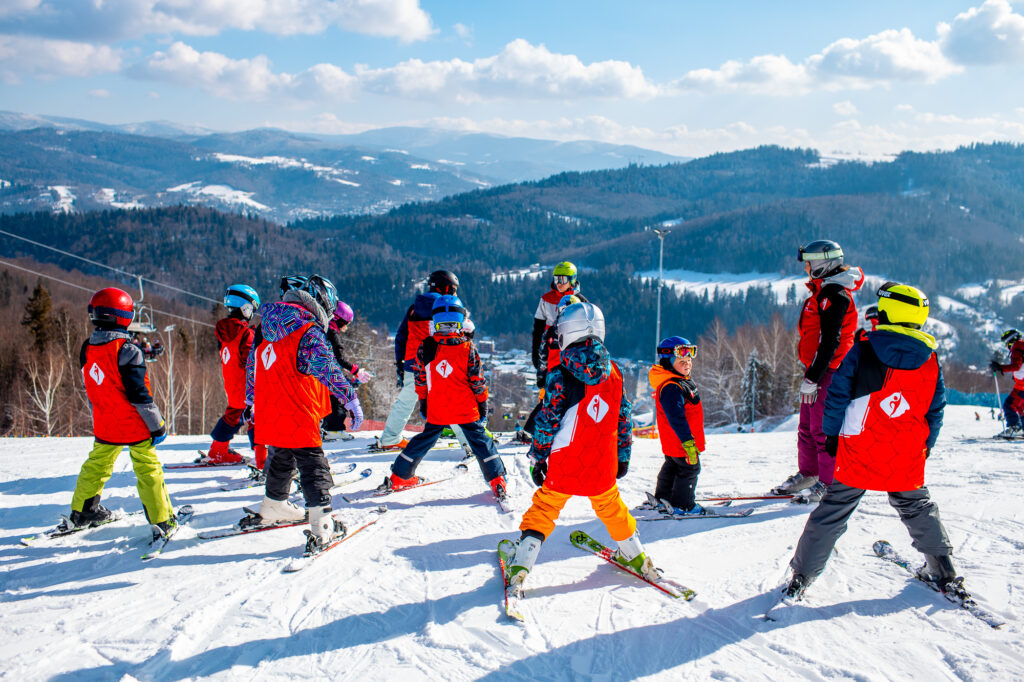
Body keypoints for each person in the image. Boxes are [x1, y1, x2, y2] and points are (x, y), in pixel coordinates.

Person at [784, 281, 959, 600]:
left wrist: (832, 438)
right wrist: (926, 446)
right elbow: (935, 409)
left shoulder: (864, 348)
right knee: (917, 506)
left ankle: (802, 575)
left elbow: (837, 395)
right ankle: (944, 572)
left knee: (834, 509)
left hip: (858, 449)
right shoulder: (931, 358)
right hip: (905, 454)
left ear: (889, 312)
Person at [506, 302, 658, 592]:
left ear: (566, 332)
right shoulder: (615, 373)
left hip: (566, 464)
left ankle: (521, 565)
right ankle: (638, 557)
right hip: (602, 465)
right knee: (612, 508)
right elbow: (623, 418)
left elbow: (547, 420)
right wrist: (622, 457)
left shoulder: (561, 373)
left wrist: (538, 458)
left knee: (545, 508)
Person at [246, 275, 364, 550]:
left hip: (269, 408)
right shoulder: (307, 330)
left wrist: (251, 401)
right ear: (322, 302)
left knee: (282, 455)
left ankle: (273, 506)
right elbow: (329, 368)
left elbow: (252, 366)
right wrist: (350, 398)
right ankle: (322, 528)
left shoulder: (265, 327)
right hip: (298, 408)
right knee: (313, 464)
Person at [70, 287, 175, 533]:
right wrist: (157, 423)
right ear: (124, 316)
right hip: (135, 425)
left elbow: (93, 385)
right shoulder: (128, 350)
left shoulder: (88, 348)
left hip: (105, 424)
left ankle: (83, 511)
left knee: (96, 466)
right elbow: (140, 395)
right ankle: (162, 520)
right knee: (148, 469)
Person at [381, 295, 507, 498]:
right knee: (481, 442)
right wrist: (482, 402)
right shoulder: (468, 347)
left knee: (424, 440)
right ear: (460, 321)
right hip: (466, 409)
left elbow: (421, 379)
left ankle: (400, 476)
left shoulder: (426, 346)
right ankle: (497, 479)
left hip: (437, 408)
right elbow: (477, 381)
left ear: (435, 320)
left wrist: (423, 401)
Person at [772, 239, 864, 503]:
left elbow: (831, 340)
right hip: (816, 370)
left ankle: (829, 483)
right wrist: (811, 373)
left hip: (828, 372)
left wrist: (813, 377)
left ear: (824, 265)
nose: (806, 269)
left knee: (822, 429)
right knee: (806, 427)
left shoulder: (834, 295)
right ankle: (810, 474)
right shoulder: (823, 292)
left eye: (809, 264)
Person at [378, 270, 463, 450]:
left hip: (412, 363)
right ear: (446, 288)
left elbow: (401, 337)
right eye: (454, 289)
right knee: (450, 399)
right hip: (438, 362)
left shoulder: (414, 308)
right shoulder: (447, 307)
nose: (455, 293)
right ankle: (468, 442)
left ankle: (389, 438)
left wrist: (400, 365)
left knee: (405, 402)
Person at [520, 263, 586, 446]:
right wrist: (537, 354)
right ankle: (532, 431)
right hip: (552, 353)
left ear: (572, 280)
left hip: (572, 355)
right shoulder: (546, 299)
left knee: (568, 394)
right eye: (556, 279)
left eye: (563, 279)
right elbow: (538, 328)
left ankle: (548, 430)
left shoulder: (580, 300)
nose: (559, 283)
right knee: (550, 393)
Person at [649, 336, 706, 515]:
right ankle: (684, 504)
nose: (687, 364)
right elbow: (676, 418)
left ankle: (663, 497)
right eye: (682, 361)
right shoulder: (671, 387)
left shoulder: (678, 381)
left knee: (672, 466)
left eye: (689, 360)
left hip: (675, 442)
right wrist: (688, 443)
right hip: (682, 441)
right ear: (668, 361)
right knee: (690, 468)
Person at [206, 284, 259, 464]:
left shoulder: (224, 332)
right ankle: (264, 460)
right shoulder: (246, 334)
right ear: (246, 308)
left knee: (233, 416)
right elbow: (252, 364)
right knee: (256, 417)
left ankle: (217, 451)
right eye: (252, 309)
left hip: (232, 386)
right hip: (248, 387)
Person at [322, 300, 371, 441]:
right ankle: (334, 429)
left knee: (329, 399)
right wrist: (356, 371)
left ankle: (325, 426)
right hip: (329, 373)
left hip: (319, 371)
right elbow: (340, 358)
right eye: (346, 324)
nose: (346, 328)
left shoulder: (322, 328)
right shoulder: (332, 333)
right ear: (339, 320)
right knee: (338, 399)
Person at [990, 329, 1024, 438]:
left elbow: (1017, 366)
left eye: (1006, 343)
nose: (1006, 346)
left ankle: (1014, 428)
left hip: (1022, 385)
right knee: (1020, 407)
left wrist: (1000, 368)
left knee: (1010, 404)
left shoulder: (1017, 347)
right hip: (1021, 384)